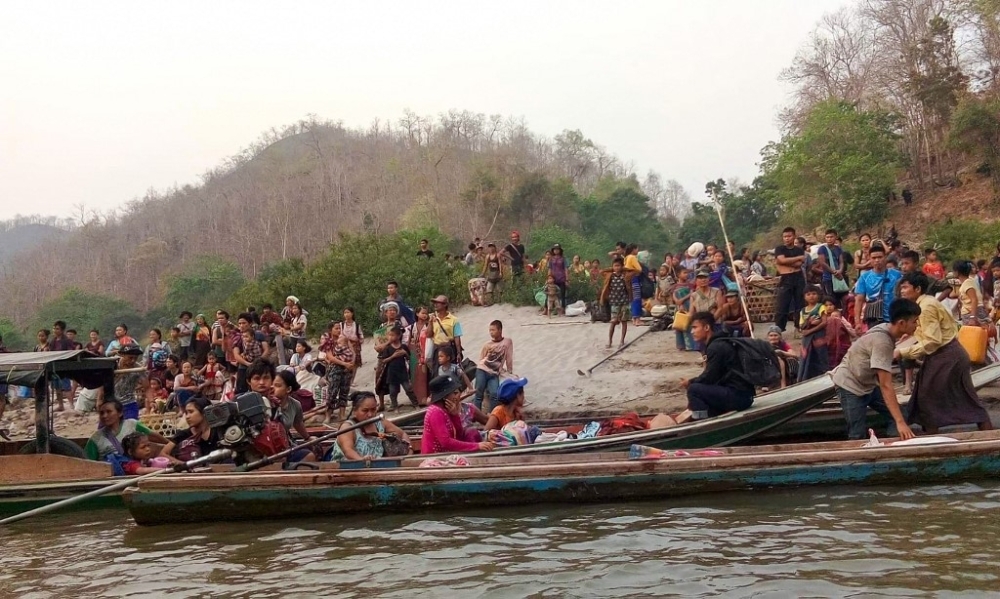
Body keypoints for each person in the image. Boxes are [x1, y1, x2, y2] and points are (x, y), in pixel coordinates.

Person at [897, 272, 993, 434]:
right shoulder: (925, 303)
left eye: (906, 287)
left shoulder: (925, 307)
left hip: (946, 355)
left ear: (918, 289)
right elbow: (929, 332)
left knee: (928, 397)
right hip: (947, 355)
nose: (902, 291)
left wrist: (903, 352)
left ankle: (986, 437)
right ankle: (985, 435)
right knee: (933, 396)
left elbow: (932, 341)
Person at [831, 299, 921, 441]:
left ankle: (894, 441)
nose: (917, 325)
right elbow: (886, 385)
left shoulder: (887, 329)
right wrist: (900, 423)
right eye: (915, 321)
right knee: (857, 433)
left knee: (901, 415)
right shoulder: (882, 341)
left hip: (868, 383)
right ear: (902, 323)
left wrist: (900, 420)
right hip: (850, 385)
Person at [679, 312, 754, 420]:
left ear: (706, 327)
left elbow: (709, 377)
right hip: (740, 395)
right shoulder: (716, 343)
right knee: (699, 392)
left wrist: (690, 382)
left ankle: (701, 423)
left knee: (693, 389)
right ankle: (707, 416)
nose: (692, 332)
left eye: (695, 328)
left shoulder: (716, 347)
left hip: (739, 396)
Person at [326, 391, 413, 461]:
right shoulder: (348, 427)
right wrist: (361, 460)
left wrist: (409, 451)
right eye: (365, 410)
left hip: (376, 469)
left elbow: (403, 434)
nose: (370, 414)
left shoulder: (380, 423)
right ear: (355, 411)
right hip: (347, 471)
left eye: (373, 410)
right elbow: (348, 451)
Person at [421, 374, 494, 454]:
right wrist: (476, 446)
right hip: (433, 458)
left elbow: (459, 436)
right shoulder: (436, 412)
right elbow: (446, 442)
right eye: (453, 393)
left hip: (445, 455)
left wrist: (455, 415)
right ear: (444, 396)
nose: (456, 397)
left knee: (472, 432)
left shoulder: (446, 410)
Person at [84, 398, 167, 461]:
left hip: (137, 470)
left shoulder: (132, 424)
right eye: (102, 413)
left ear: (120, 413)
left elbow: (153, 436)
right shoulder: (95, 439)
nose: (104, 416)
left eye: (109, 412)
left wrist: (170, 444)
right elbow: (88, 463)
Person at [269, 367, 316, 462]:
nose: (273, 389)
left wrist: (308, 438)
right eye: (272, 385)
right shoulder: (267, 403)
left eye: (277, 386)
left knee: (310, 455)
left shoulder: (295, 405)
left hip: (285, 445)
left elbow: (298, 423)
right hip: (269, 446)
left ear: (288, 389)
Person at [159, 396, 223, 462]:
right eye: (186, 413)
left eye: (191, 412)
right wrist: (185, 465)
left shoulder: (218, 432)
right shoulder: (183, 434)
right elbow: (163, 454)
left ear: (204, 412)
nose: (187, 417)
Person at [853, 243, 901, 330]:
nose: (877, 260)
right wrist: (857, 322)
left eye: (880, 257)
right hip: (874, 318)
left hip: (895, 316)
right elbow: (859, 300)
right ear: (869, 259)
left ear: (885, 258)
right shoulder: (864, 277)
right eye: (874, 258)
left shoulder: (896, 275)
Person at [599, 257, 639, 349]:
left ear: (622, 266)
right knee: (613, 322)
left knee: (624, 321)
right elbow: (601, 271)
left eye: (618, 266)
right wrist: (611, 268)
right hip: (614, 301)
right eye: (615, 266)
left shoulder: (625, 275)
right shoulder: (610, 275)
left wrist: (624, 268)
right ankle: (610, 341)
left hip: (624, 301)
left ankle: (622, 340)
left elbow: (636, 271)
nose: (616, 268)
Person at [473, 320, 514, 411]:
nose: (491, 332)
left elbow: (509, 357)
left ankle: (492, 416)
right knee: (479, 393)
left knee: (495, 394)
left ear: (500, 330)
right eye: (490, 330)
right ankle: (475, 416)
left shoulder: (507, 342)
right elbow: (481, 359)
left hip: (494, 373)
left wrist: (509, 371)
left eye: (493, 330)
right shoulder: (487, 345)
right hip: (482, 370)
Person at [376, 326, 417, 411]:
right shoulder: (387, 348)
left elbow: (409, 358)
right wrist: (393, 356)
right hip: (392, 373)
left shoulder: (403, 346)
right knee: (393, 392)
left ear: (398, 336)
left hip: (402, 372)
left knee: (408, 389)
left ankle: (415, 404)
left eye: (392, 335)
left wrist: (405, 353)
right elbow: (383, 361)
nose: (390, 337)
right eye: (389, 335)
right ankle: (395, 407)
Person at [774, 227, 806, 332]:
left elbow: (799, 264)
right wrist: (797, 259)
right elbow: (781, 260)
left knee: (800, 304)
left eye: (789, 236)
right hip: (785, 278)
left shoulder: (799, 249)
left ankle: (799, 327)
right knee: (782, 305)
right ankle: (779, 330)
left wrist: (786, 262)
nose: (787, 238)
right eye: (785, 236)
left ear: (794, 237)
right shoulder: (780, 249)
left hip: (798, 277)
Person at [797, 286, 829, 381]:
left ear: (818, 295)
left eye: (814, 294)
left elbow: (824, 322)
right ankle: (807, 378)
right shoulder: (803, 311)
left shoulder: (821, 307)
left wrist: (810, 330)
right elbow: (801, 326)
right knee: (807, 358)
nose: (811, 296)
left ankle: (825, 377)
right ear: (804, 297)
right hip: (807, 340)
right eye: (808, 294)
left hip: (819, 337)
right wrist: (810, 322)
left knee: (821, 356)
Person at [325, 334, 355, 422]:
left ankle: (342, 414)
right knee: (332, 392)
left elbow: (353, 353)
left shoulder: (344, 342)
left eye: (339, 328)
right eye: (336, 328)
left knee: (344, 391)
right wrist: (345, 364)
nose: (338, 330)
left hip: (347, 369)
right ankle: (328, 415)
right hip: (336, 369)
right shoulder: (328, 342)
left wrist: (351, 364)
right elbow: (330, 358)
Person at [816, 228, 849, 308]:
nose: (829, 239)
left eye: (831, 237)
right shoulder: (822, 249)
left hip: (839, 277)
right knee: (830, 299)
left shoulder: (838, 248)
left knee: (842, 298)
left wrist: (840, 270)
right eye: (827, 237)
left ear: (836, 237)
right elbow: (822, 263)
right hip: (828, 278)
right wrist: (834, 272)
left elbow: (841, 262)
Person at [113, 343, 145, 420]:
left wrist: (151, 402)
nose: (133, 360)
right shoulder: (112, 365)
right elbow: (102, 384)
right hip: (112, 403)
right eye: (130, 357)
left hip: (129, 403)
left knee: (130, 427)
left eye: (135, 358)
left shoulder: (138, 368)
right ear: (122, 355)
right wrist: (100, 399)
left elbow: (147, 387)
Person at [430, 295, 464, 360]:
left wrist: (459, 353)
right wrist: (430, 322)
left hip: (449, 350)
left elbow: (457, 337)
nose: (435, 305)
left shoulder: (454, 320)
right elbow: (429, 335)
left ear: (445, 305)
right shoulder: (433, 318)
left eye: (437, 303)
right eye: (435, 303)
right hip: (437, 350)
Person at [955, 260, 986, 326]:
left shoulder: (967, 283)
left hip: (970, 313)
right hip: (974, 312)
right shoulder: (970, 280)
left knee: (972, 335)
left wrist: (972, 318)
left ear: (957, 272)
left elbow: (974, 299)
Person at [672, 267, 695, 351]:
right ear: (678, 275)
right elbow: (674, 297)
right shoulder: (675, 286)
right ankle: (681, 345)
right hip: (679, 308)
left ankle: (690, 346)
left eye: (687, 273)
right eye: (684, 273)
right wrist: (678, 301)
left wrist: (682, 300)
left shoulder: (690, 285)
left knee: (689, 325)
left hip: (689, 306)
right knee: (679, 325)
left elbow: (692, 294)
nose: (687, 274)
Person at [549, 244, 568, 309]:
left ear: (560, 250)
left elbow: (565, 269)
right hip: (553, 278)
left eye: (557, 249)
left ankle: (563, 308)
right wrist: (548, 277)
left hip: (562, 278)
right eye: (555, 249)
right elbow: (550, 268)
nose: (556, 250)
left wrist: (567, 279)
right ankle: (552, 308)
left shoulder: (563, 259)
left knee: (562, 293)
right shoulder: (551, 259)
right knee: (552, 293)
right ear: (553, 250)